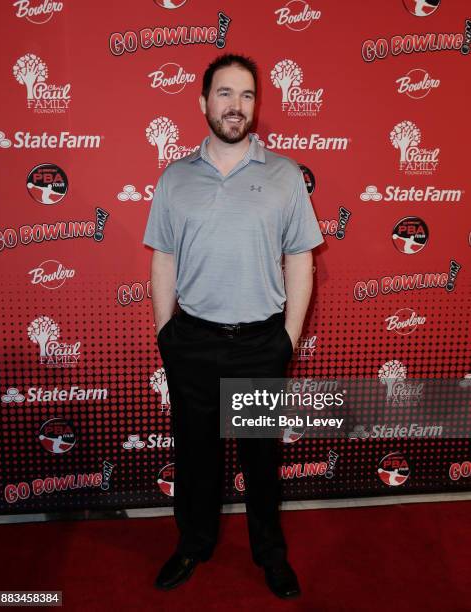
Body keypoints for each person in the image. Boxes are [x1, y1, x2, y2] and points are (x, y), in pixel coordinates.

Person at [143, 53, 324, 599]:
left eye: (246, 95)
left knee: (261, 460)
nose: (235, 106)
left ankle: (270, 554)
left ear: (256, 105)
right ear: (203, 103)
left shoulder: (285, 175)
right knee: (195, 456)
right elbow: (163, 260)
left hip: (259, 344)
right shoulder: (175, 178)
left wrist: (288, 337)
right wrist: (165, 335)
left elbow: (300, 259)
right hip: (192, 342)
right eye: (224, 94)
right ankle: (192, 545)